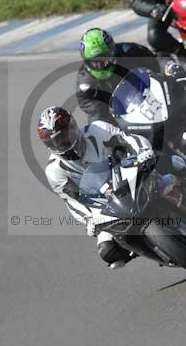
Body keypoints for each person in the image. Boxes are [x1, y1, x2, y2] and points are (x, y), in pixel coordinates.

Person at [37, 106, 156, 269]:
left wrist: (143, 151)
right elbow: (72, 201)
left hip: (131, 176)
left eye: (65, 134)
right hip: (106, 203)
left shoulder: (97, 129)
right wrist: (88, 220)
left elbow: (127, 139)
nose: (63, 142)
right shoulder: (54, 170)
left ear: (73, 125)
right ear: (48, 145)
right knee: (107, 251)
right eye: (55, 141)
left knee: (171, 169)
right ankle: (158, 252)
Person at [77, 27, 186, 125]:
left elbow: (155, 60)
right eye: (95, 62)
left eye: (106, 58)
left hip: (152, 92)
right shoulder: (86, 86)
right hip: (128, 118)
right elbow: (97, 116)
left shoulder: (130, 51)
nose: (101, 65)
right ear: (86, 61)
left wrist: (169, 66)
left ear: (113, 52)